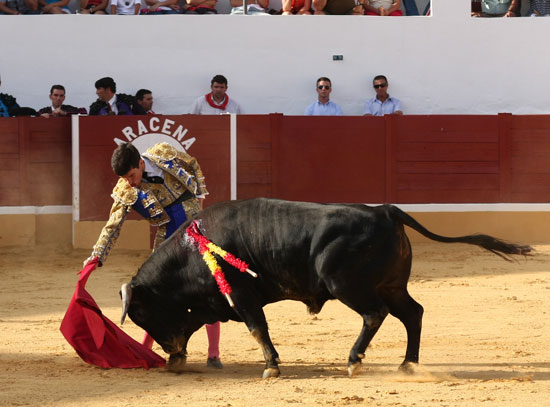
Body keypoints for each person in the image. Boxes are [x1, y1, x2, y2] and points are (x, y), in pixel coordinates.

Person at [84, 142, 224, 369]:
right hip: (167, 233)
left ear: (141, 163)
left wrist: (199, 197)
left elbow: (192, 163)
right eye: (125, 178)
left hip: (194, 224)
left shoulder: (163, 152)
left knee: (208, 285)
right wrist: (96, 255)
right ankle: (147, 349)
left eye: (131, 175)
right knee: (156, 293)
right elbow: (113, 225)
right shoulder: (125, 188)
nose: (129, 182)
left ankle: (214, 354)